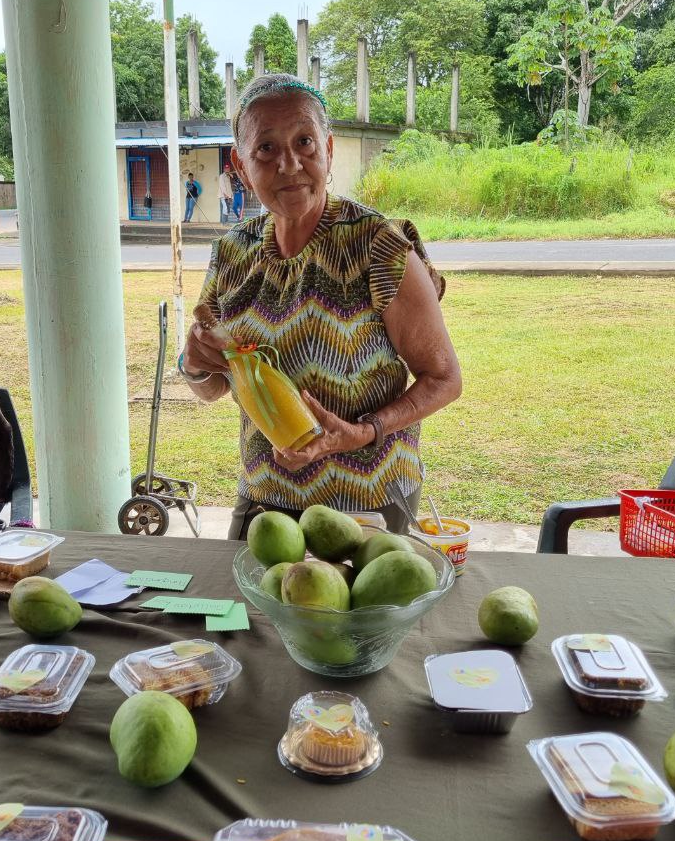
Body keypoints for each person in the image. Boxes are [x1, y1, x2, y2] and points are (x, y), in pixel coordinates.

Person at [178, 73, 462, 539]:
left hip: (369, 504)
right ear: (242, 165)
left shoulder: (378, 246)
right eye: (266, 149)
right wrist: (194, 364)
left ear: (328, 149)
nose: (289, 164)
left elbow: (445, 378)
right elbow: (214, 388)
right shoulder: (232, 253)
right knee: (246, 612)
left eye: (305, 142)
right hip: (265, 502)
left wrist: (366, 430)